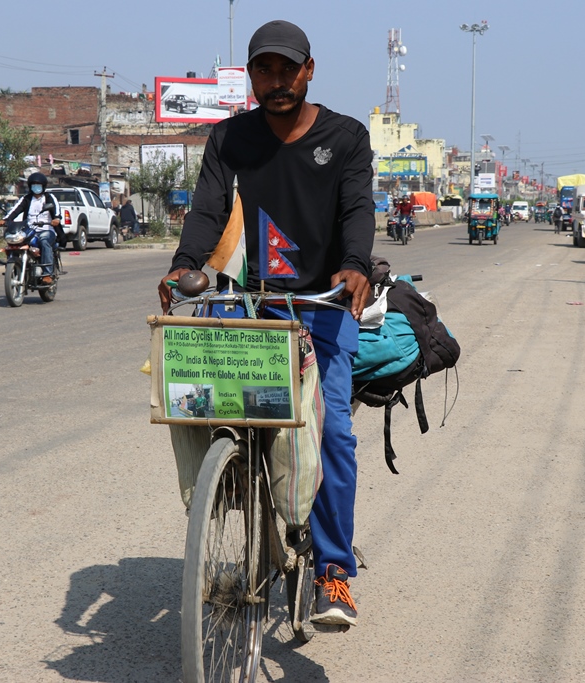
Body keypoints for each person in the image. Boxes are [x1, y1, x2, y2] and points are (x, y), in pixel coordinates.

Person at [159, 19, 372, 628]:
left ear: (309, 70)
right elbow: (208, 210)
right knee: (207, 402)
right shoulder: (229, 139)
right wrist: (183, 264)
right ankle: (229, 517)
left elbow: (358, 208)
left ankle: (334, 573)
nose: (276, 82)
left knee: (328, 432)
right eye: (264, 70)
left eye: (287, 69)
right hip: (250, 304)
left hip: (323, 305)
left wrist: (355, 266)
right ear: (250, 76)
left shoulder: (347, 137)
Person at [0, 172, 62, 284]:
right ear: (30, 186)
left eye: (38, 184)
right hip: (30, 230)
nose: (36, 187)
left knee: (44, 242)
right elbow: (15, 210)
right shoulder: (26, 198)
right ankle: (16, 265)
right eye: (33, 184)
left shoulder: (49, 197)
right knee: (16, 242)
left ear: (43, 186)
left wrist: (56, 219)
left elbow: (56, 210)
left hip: (46, 229)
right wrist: (5, 220)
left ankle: (47, 274)